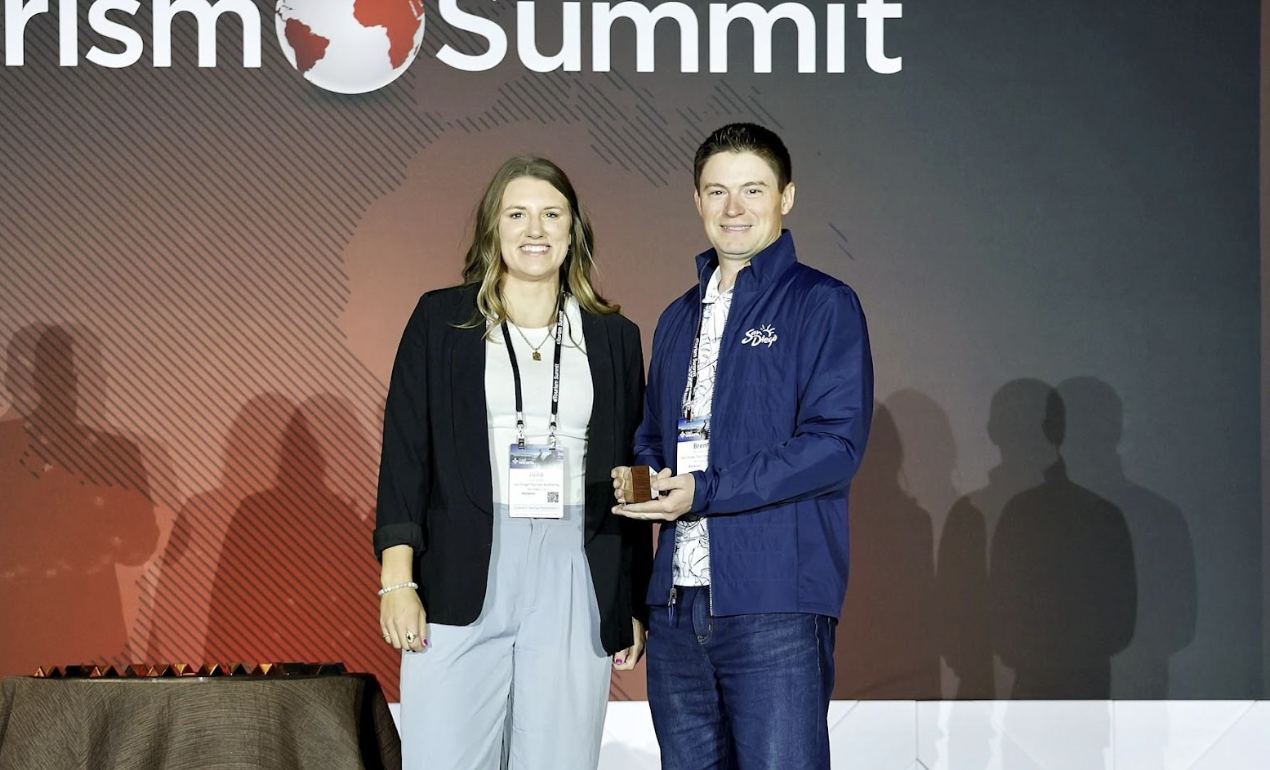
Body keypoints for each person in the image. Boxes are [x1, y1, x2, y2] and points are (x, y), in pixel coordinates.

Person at [374, 155, 652, 769]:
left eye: (552, 214)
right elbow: (405, 457)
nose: (536, 229)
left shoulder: (614, 337)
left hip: (576, 566)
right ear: (491, 229)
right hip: (461, 565)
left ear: (573, 230)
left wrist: (632, 602)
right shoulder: (440, 320)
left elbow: (631, 470)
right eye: (517, 214)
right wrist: (399, 581)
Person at [612, 124, 873, 768]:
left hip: (774, 604)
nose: (734, 210)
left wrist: (703, 491)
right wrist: (643, 481)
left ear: (786, 197)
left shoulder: (823, 304)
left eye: (752, 190)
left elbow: (835, 445)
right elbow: (654, 436)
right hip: (676, 607)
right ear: (696, 201)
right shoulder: (677, 316)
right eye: (717, 192)